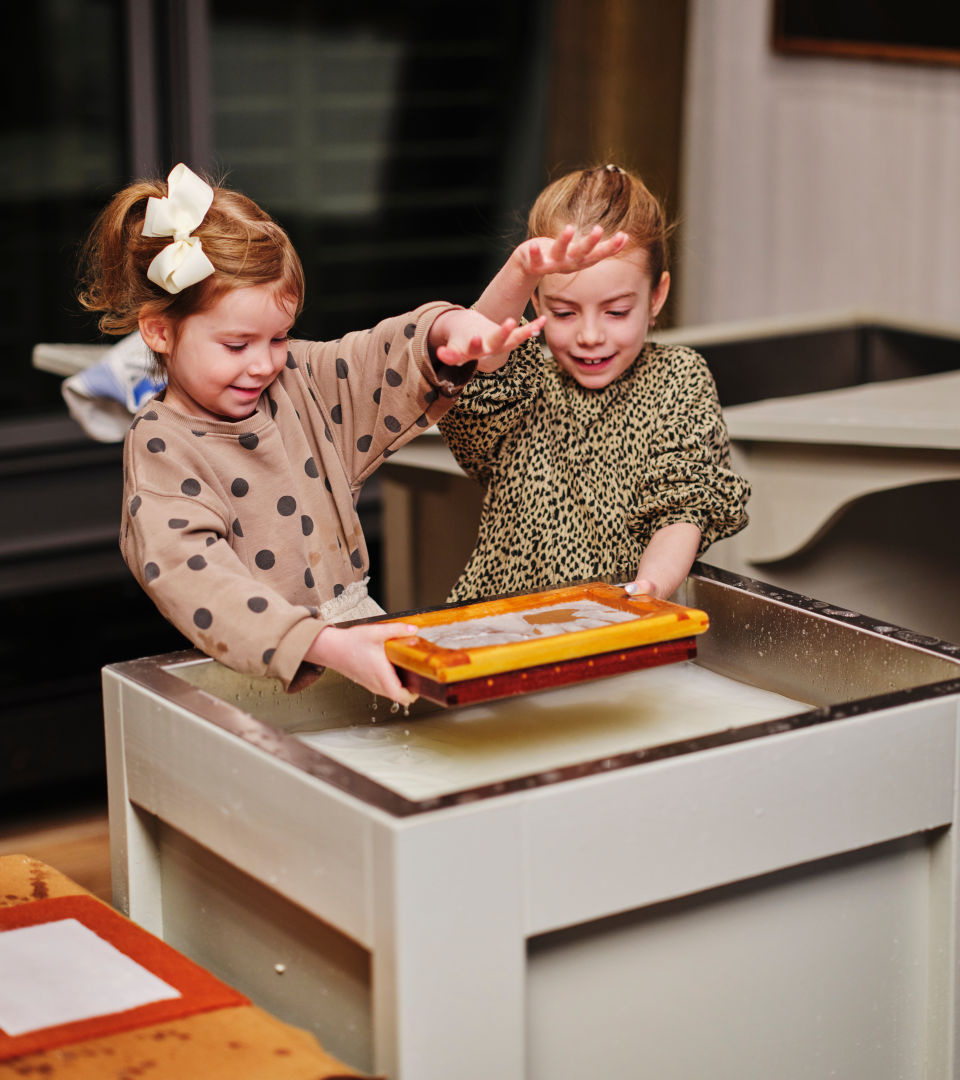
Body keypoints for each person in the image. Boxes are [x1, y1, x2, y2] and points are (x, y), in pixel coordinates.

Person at [78, 163, 557, 704]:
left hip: (359, 647)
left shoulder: (297, 380)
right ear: (159, 331)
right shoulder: (161, 444)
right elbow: (193, 575)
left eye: (279, 337)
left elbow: (380, 354)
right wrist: (325, 645)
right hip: (256, 678)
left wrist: (459, 324)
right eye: (237, 345)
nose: (263, 365)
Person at [439, 163, 751, 603]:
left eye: (616, 311)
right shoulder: (522, 384)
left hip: (623, 621)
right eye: (564, 313)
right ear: (535, 299)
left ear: (656, 296)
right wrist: (520, 269)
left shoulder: (678, 379)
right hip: (505, 626)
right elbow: (480, 355)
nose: (589, 335)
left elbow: (683, 508)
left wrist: (646, 590)